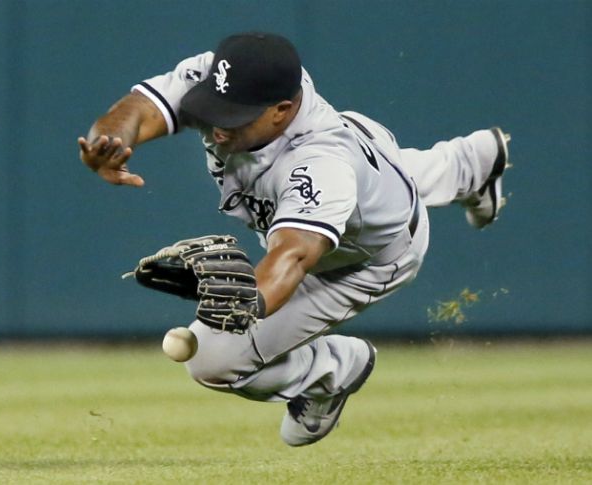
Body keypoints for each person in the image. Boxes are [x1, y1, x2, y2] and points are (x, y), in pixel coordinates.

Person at [78, 32, 511, 447]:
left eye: (232, 117)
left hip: (363, 258)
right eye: (213, 108)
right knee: (395, 177)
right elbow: (140, 109)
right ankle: (470, 163)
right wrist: (108, 142)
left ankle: (332, 370)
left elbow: (294, 258)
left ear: (282, 110)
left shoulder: (319, 167)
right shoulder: (226, 77)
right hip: (367, 157)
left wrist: (239, 303)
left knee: (212, 360)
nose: (217, 127)